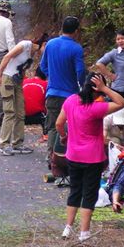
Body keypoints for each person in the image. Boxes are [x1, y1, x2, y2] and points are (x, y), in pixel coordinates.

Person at [56, 72, 124, 241]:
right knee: (89, 194)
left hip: (73, 155)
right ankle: (84, 232)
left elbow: (59, 123)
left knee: (75, 191)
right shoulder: (96, 109)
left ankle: (67, 227)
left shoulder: (70, 101)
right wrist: (105, 88)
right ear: (97, 89)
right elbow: (122, 103)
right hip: (92, 158)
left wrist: (63, 136)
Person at [39, 16, 87, 157]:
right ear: (76, 31)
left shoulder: (51, 44)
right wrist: (81, 85)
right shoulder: (76, 48)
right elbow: (80, 71)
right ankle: (67, 156)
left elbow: (43, 66)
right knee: (71, 125)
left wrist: (52, 76)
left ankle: (51, 157)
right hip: (70, 95)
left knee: (54, 126)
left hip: (52, 93)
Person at [0, 37, 42, 155]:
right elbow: (7, 57)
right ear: (42, 44)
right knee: (9, 112)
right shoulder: (25, 45)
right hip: (8, 78)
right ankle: (4, 144)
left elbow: (22, 68)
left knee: (20, 112)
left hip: (18, 81)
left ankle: (17, 143)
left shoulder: (32, 54)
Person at [23, 67, 48, 138]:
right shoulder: (46, 84)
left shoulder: (24, 81)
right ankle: (46, 134)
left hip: (21, 116)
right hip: (39, 117)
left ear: (35, 73)